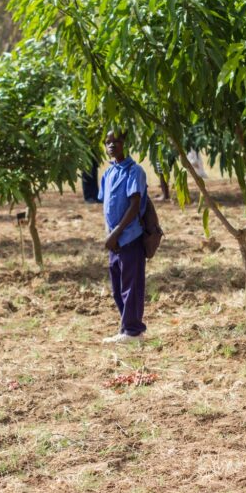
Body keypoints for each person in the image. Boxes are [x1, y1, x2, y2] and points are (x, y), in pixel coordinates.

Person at [98, 129, 148, 343]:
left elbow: (135, 204)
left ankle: (133, 331)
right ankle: (125, 327)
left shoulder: (133, 171)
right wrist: (110, 235)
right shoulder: (108, 174)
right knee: (118, 287)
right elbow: (107, 205)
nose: (111, 146)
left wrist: (116, 233)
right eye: (108, 142)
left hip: (129, 237)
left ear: (124, 144)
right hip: (115, 240)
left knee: (131, 285)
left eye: (115, 141)